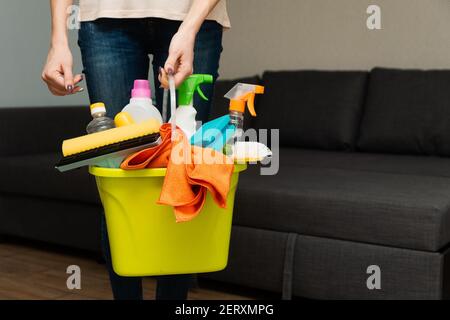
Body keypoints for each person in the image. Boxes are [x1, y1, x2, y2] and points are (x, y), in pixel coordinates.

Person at [42, 0, 229, 300]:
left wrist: (190, 27)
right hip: (105, 19)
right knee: (117, 175)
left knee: (186, 173)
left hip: (194, 13)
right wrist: (57, 40)